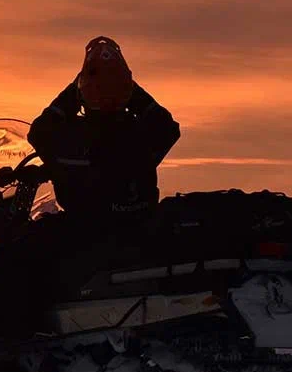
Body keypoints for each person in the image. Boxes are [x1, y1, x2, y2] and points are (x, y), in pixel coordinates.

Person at [26, 36, 181, 232]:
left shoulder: (71, 136)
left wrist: (73, 92)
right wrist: (132, 91)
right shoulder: (143, 133)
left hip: (81, 238)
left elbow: (39, 133)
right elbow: (167, 127)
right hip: (138, 232)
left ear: (83, 93)